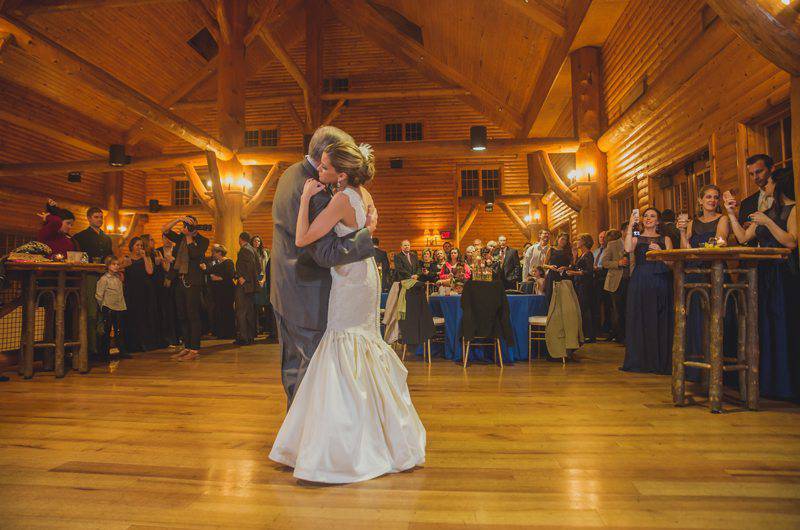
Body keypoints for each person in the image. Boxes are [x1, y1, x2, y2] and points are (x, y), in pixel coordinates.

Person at [270, 140, 425, 484]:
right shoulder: (364, 195)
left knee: (343, 344)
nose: (319, 172)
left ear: (341, 174)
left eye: (325, 168)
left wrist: (306, 198)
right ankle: (382, 431)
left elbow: (302, 238)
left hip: (350, 277)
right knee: (362, 342)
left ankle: (348, 442)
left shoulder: (340, 199)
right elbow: (368, 230)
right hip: (365, 271)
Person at [270, 126, 376, 406]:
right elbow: (326, 254)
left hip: (285, 284)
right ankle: (308, 435)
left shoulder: (290, 173)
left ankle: (297, 430)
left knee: (293, 363)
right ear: (323, 160)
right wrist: (367, 236)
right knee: (312, 364)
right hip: (307, 289)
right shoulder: (315, 190)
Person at [725, 168, 798, 399]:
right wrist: (731, 215)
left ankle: (787, 383)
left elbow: (790, 241)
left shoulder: (794, 209)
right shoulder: (764, 211)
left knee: (783, 323)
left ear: (778, 186)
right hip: (763, 274)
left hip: (783, 273)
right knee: (764, 324)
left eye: (767, 184)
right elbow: (743, 238)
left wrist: (768, 221)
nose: (764, 187)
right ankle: (767, 381)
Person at [677, 185, 731, 380]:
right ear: (700, 200)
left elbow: (721, 241)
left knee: (716, 317)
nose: (712, 200)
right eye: (708, 197)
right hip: (695, 271)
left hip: (714, 270)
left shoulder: (722, 219)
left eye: (715, 197)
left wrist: (705, 247)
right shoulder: (692, 223)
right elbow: (685, 249)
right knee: (696, 318)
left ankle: (717, 368)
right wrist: (682, 232)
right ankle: (696, 370)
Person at [621, 208, 673, 374]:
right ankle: (640, 360)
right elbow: (628, 248)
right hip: (641, 279)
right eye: (646, 216)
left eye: (653, 216)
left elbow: (672, 263)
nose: (649, 218)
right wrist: (631, 225)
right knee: (641, 317)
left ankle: (659, 360)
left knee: (660, 318)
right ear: (642, 220)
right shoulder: (637, 237)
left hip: (661, 278)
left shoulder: (666, 239)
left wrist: (661, 253)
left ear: (658, 221)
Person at [161, 215, 210, 362]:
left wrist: (189, 236)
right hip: (180, 280)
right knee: (182, 315)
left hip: (193, 282)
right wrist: (178, 219)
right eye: (186, 224)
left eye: (190, 224)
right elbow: (165, 229)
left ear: (196, 225)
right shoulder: (180, 238)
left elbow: (195, 254)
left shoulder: (202, 240)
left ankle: (194, 349)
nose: (187, 226)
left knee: (192, 315)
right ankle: (187, 347)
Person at [73, 206, 113, 360]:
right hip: (89, 276)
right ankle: (90, 348)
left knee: (105, 309)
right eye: (96, 217)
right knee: (91, 311)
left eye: (101, 217)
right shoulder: (81, 237)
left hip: (105, 276)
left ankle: (103, 348)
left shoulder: (106, 238)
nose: (99, 220)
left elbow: (110, 256)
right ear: (89, 218)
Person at [122, 237, 160, 354]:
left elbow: (150, 271)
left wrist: (144, 257)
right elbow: (118, 269)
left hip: (145, 289)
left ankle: (146, 343)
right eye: (137, 245)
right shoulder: (126, 257)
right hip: (132, 289)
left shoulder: (147, 257)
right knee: (132, 315)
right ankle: (133, 344)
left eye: (141, 246)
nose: (139, 248)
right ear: (132, 246)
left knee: (145, 315)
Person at [95, 255, 129, 361]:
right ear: (108, 265)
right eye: (113, 264)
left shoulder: (118, 278)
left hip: (119, 307)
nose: (116, 266)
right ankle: (104, 353)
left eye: (118, 264)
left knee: (119, 330)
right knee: (107, 330)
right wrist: (103, 306)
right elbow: (99, 295)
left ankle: (122, 350)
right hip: (108, 307)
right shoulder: (104, 279)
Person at [737, 154, 776, 245]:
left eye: (759, 171)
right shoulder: (746, 203)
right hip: (754, 257)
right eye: (751, 174)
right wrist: (744, 228)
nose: (755, 177)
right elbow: (740, 240)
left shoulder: (786, 196)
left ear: (772, 169)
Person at [567, 233, 596, 342]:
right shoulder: (582, 255)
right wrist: (574, 256)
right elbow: (575, 266)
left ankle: (589, 335)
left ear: (584, 242)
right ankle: (583, 333)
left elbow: (588, 271)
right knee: (581, 309)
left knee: (585, 309)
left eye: (579, 239)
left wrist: (574, 273)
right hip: (579, 284)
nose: (576, 241)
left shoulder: (588, 255)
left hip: (586, 285)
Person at [154, 234, 180, 348]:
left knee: (176, 309)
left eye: (169, 238)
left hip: (176, 282)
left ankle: (178, 336)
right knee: (165, 310)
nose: (168, 240)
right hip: (161, 283)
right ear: (162, 239)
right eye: (165, 238)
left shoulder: (177, 250)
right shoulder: (158, 251)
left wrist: (173, 260)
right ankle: (166, 337)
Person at [601, 229, 627, 343]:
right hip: (616, 281)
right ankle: (621, 337)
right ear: (623, 231)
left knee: (629, 309)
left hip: (631, 280)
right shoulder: (613, 244)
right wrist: (618, 263)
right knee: (618, 310)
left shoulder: (636, 242)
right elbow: (605, 262)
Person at [234, 232, 259, 345]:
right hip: (250, 285)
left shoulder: (245, 250)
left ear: (240, 239)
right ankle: (250, 336)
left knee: (241, 311)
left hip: (245, 285)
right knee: (249, 311)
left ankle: (244, 337)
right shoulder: (253, 250)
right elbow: (258, 267)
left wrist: (242, 278)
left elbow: (250, 267)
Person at [206, 244, 235, 339]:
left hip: (227, 290)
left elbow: (230, 275)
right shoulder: (217, 263)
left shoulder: (228, 262)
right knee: (220, 311)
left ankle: (229, 333)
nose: (212, 254)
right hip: (219, 291)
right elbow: (209, 271)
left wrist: (219, 278)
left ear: (219, 253)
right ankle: (221, 332)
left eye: (214, 252)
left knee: (227, 310)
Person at [251, 235, 274, 338]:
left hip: (263, 278)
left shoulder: (264, 252)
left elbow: (266, 268)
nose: (257, 243)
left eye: (259, 241)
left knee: (266, 304)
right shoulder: (250, 252)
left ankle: (267, 329)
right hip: (253, 278)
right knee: (254, 305)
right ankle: (255, 329)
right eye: (255, 241)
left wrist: (264, 279)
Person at [543, 233, 572, 306]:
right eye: (562, 239)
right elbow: (544, 264)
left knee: (563, 298)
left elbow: (572, 265)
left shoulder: (568, 251)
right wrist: (550, 267)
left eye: (566, 240)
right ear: (558, 239)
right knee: (551, 296)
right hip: (552, 276)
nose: (564, 241)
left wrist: (565, 267)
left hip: (564, 276)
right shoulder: (551, 249)